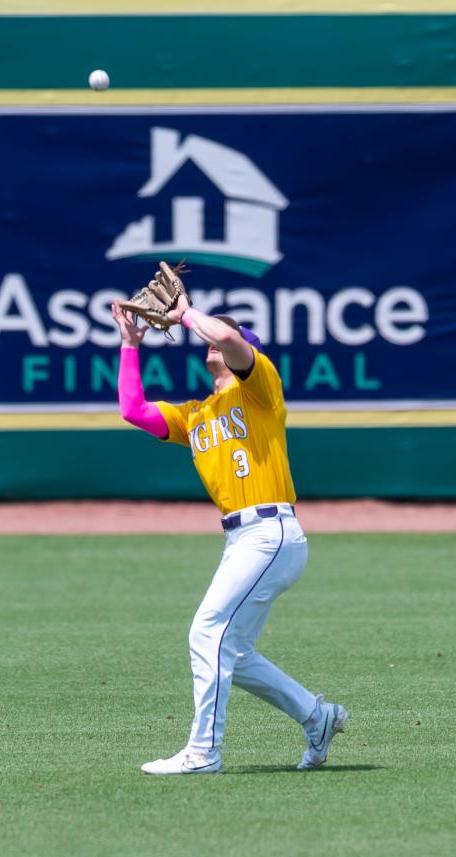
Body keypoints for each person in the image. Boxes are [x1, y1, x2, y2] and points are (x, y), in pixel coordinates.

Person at [110, 290, 348, 775]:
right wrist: (129, 345)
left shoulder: (260, 389)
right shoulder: (195, 414)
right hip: (241, 539)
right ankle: (316, 716)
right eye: (210, 336)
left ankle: (203, 753)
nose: (214, 340)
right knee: (231, 653)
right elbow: (133, 410)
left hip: (271, 530)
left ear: (247, 349)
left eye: (228, 335)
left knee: (207, 632)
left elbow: (220, 333)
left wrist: (186, 315)